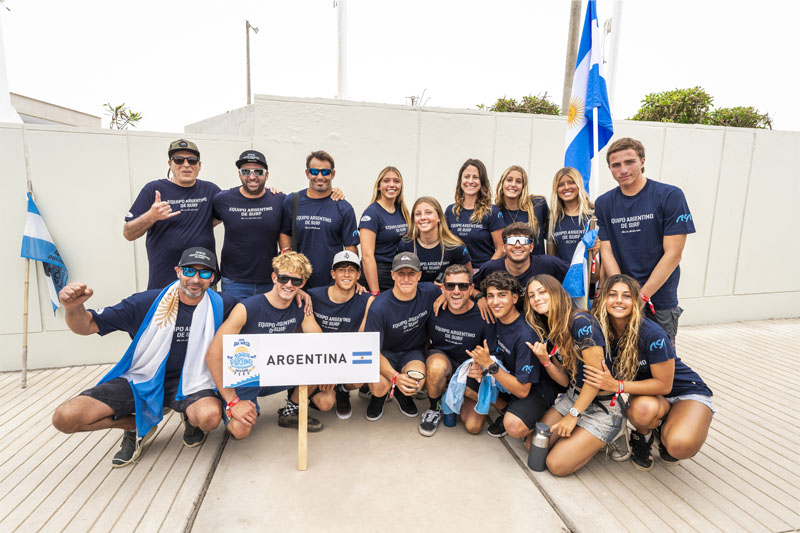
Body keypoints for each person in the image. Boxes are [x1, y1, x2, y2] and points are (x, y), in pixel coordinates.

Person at [51, 247, 238, 467]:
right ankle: (135, 425)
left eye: (204, 273)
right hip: (142, 378)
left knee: (209, 418)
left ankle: (190, 416)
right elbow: (87, 325)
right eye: (189, 271)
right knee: (65, 418)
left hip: (194, 382)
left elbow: (261, 317)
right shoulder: (146, 302)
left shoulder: (225, 305)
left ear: (213, 278)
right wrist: (74, 308)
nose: (196, 279)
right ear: (178, 271)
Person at [584, 274, 714, 471]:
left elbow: (664, 385)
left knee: (680, 446)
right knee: (642, 410)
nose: (619, 300)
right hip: (649, 397)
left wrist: (617, 386)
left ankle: (666, 427)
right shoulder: (599, 330)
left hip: (684, 392)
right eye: (612, 294)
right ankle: (643, 437)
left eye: (627, 296)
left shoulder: (652, 333)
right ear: (602, 300)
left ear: (636, 301)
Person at [205, 252, 331, 440]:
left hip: (276, 370)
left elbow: (319, 342)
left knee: (318, 365)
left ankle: (290, 411)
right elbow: (213, 354)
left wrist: (333, 369)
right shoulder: (247, 308)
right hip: (245, 376)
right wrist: (233, 401)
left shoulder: (301, 307)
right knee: (240, 431)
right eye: (283, 278)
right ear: (274, 277)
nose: (288, 285)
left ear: (302, 284)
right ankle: (222, 401)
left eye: (295, 281)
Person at [595, 138, 696, 342]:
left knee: (662, 364)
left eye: (629, 162)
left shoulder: (670, 196)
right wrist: (623, 294)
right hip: (622, 301)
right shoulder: (604, 203)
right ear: (609, 169)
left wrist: (641, 297)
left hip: (659, 301)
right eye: (616, 165)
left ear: (642, 161)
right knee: (623, 360)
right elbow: (607, 251)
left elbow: (674, 254)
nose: (623, 169)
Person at [524, 275, 622, 476]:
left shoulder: (581, 321)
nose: (537, 298)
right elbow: (564, 380)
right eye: (532, 295)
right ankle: (582, 437)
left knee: (556, 465)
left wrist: (573, 415)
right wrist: (545, 360)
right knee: (532, 446)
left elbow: (596, 379)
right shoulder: (551, 328)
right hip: (573, 397)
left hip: (602, 405)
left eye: (542, 292)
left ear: (557, 293)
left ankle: (612, 434)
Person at [461, 272, 556, 439]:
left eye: (502, 295)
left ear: (514, 298)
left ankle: (534, 416)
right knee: (467, 385)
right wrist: (479, 366)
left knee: (514, 426)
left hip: (535, 387)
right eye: (490, 296)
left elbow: (522, 390)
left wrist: (489, 365)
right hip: (510, 375)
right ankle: (507, 409)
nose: (495, 301)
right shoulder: (494, 318)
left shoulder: (526, 334)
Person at [124, 139, 221, 290]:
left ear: (199, 165)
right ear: (170, 164)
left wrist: (269, 193)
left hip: (203, 281)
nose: (186, 164)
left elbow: (233, 208)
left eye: (192, 160)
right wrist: (152, 216)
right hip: (164, 284)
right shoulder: (154, 189)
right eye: (179, 160)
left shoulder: (211, 190)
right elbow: (128, 233)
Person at [363, 252, 441, 422]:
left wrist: (479, 298)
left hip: (411, 352)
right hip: (384, 353)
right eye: (401, 273)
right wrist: (394, 376)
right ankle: (379, 397)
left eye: (411, 273)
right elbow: (371, 350)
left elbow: (453, 292)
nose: (406, 278)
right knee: (379, 387)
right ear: (393, 275)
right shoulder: (379, 307)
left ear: (419, 275)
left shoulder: (429, 291)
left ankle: (400, 392)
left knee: (416, 382)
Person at [419, 264, 493, 437]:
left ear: (471, 288)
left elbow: (492, 354)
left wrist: (482, 368)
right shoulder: (434, 307)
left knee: (473, 427)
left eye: (463, 286)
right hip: (443, 359)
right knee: (436, 367)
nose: (456, 291)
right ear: (443, 288)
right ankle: (434, 407)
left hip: (469, 369)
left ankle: (452, 393)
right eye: (450, 286)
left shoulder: (484, 314)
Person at [308, 251, 375, 419]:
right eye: (341, 269)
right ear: (333, 273)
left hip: (344, 358)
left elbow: (361, 340)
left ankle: (342, 390)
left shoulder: (367, 300)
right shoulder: (313, 295)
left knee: (361, 375)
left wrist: (335, 373)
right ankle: (305, 391)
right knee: (325, 404)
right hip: (317, 359)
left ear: (359, 274)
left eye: (352, 270)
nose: (346, 274)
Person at [279, 150, 360, 289]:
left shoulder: (343, 208)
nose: (320, 177)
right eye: (315, 172)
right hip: (297, 282)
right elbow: (285, 232)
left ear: (333, 174)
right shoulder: (293, 201)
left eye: (325, 172)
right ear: (307, 173)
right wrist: (287, 258)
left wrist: (352, 280)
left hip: (331, 284)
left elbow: (350, 248)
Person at [212, 150, 285, 299]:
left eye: (258, 171)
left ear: (266, 175)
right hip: (233, 282)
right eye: (246, 171)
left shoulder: (279, 200)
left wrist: (333, 191)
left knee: (265, 322)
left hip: (270, 280)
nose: (252, 177)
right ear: (239, 174)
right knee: (234, 322)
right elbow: (207, 224)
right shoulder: (222, 199)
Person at [473, 223, 568, 317]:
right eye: (511, 241)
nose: (517, 245)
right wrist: (480, 297)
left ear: (531, 247)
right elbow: (469, 286)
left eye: (523, 241)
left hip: (544, 321)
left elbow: (576, 275)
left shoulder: (548, 263)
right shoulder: (491, 268)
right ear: (504, 247)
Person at [445, 158, 505, 271]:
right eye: (466, 177)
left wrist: (484, 271)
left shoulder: (492, 212)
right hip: (456, 272)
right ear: (460, 180)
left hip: (483, 271)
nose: (470, 181)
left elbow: (501, 248)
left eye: (475, 177)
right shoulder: (451, 211)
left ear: (482, 181)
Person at [358, 166, 410, 294]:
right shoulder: (372, 213)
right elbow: (367, 257)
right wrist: (375, 291)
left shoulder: (401, 211)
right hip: (378, 275)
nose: (392, 185)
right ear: (379, 186)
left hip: (397, 273)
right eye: (386, 180)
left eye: (396, 181)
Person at [398, 196, 472, 283]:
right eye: (418, 214)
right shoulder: (406, 244)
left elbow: (468, 279)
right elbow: (400, 279)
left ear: (439, 217)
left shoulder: (455, 247)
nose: (422, 217)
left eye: (428, 213)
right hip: (415, 295)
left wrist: (446, 287)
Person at [495, 165, 549, 256]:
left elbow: (550, 237)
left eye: (518, 182)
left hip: (537, 266)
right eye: (509, 180)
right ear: (502, 184)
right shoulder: (496, 212)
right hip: (508, 267)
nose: (513, 184)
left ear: (523, 186)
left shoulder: (538, 205)